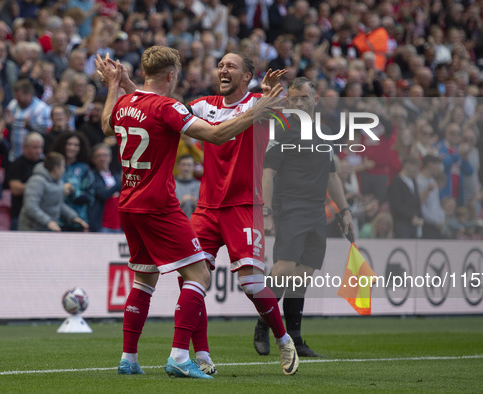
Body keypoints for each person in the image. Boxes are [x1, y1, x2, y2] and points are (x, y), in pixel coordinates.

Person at [96, 46, 288, 378]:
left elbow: (106, 123)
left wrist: (116, 84)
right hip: (160, 205)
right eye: (220, 64)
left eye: (230, 66)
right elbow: (214, 135)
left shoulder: (127, 103)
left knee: (144, 280)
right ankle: (181, 358)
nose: (222, 70)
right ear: (171, 76)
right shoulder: (172, 106)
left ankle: (129, 358)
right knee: (198, 275)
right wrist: (262, 107)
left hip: (128, 204)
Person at [254, 77, 355, 357]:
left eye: (304, 98)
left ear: (315, 100)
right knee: (284, 268)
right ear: (288, 102)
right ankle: (263, 325)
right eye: (294, 99)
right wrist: (267, 210)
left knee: (302, 276)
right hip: (290, 206)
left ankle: (296, 339)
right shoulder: (283, 129)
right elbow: (268, 173)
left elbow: (332, 175)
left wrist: (345, 211)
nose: (299, 103)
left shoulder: (323, 133)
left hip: (316, 210)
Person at [18, 152, 88, 232]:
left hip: (48, 230)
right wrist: (48, 222)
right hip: (31, 230)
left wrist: (73, 217)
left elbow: (58, 203)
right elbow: (31, 207)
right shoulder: (37, 181)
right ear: (56, 168)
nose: (63, 170)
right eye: (62, 167)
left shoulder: (58, 182)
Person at [51, 131, 95, 231]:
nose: (72, 148)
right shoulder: (53, 167)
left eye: (76, 145)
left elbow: (90, 198)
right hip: (55, 221)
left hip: (78, 220)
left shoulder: (84, 169)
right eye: (69, 144)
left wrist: (73, 193)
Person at [5, 132, 44, 230]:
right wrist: (39, 186)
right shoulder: (17, 164)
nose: (39, 151)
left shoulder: (45, 165)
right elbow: (15, 189)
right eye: (35, 147)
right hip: (20, 214)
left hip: (41, 214)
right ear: (25, 147)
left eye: (40, 147)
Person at [388, 156, 424, 238]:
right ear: (408, 165)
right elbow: (396, 205)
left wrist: (420, 217)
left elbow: (417, 202)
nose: (418, 170)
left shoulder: (413, 182)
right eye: (416, 167)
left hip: (414, 224)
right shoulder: (396, 182)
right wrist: (411, 217)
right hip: (401, 224)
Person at [89, 143, 121, 233]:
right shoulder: (92, 176)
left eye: (105, 155)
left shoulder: (116, 176)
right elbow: (103, 194)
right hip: (102, 226)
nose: (102, 158)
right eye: (99, 156)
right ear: (93, 159)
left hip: (119, 225)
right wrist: (120, 183)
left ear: (110, 157)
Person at [417, 155, 445, 239]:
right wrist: (435, 221)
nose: (438, 168)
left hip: (436, 224)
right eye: (437, 164)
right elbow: (420, 205)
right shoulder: (419, 181)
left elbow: (436, 203)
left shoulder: (433, 181)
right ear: (430, 164)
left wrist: (441, 218)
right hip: (427, 225)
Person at [174, 154, 200, 219]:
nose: (186, 168)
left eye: (189, 165)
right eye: (183, 165)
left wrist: (195, 205)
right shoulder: (171, 185)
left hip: (194, 225)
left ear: (194, 167)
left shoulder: (200, 186)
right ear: (178, 166)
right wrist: (180, 204)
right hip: (175, 224)